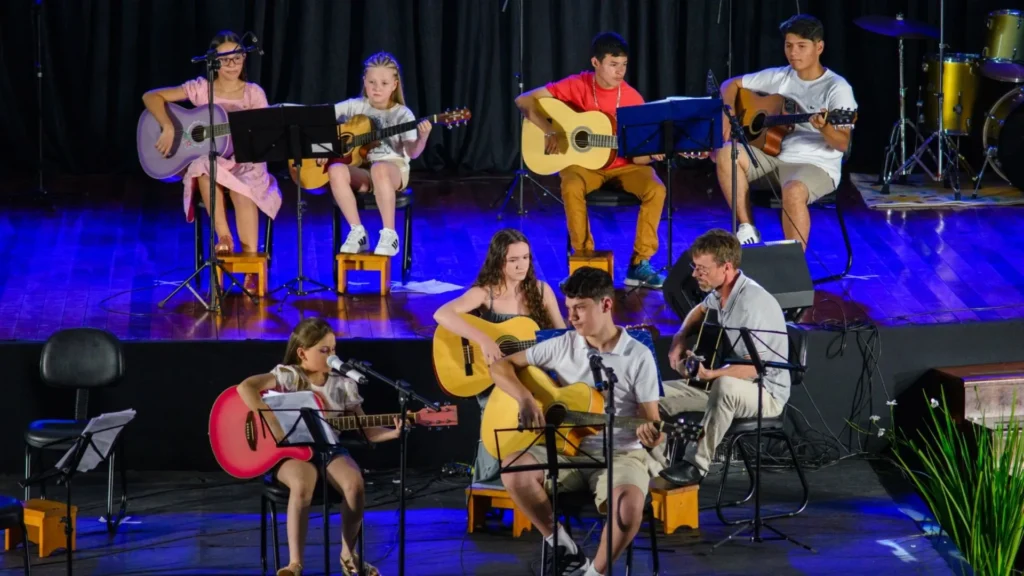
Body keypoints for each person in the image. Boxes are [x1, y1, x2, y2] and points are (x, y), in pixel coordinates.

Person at [492, 267, 663, 576]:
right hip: (564, 451)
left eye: (580, 308)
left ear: (606, 305)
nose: (571, 317)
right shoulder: (563, 345)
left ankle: (594, 573)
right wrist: (525, 399)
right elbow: (500, 367)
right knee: (514, 468)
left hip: (620, 454)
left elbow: (652, 421)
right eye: (568, 308)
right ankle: (563, 547)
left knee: (628, 509)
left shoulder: (638, 355)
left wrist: (651, 434)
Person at [236, 318, 401, 576]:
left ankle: (349, 555)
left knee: (354, 485)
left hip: (328, 449)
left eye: (333, 349)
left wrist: (394, 432)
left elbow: (366, 429)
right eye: (324, 350)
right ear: (302, 353)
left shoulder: (343, 384)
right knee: (303, 484)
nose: (331, 355)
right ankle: (295, 563)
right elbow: (246, 388)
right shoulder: (288, 375)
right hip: (289, 452)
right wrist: (272, 422)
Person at [515, 32, 667, 289]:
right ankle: (583, 260)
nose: (620, 72)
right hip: (584, 167)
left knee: (656, 189)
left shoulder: (633, 99)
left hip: (625, 167)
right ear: (596, 63)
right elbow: (523, 100)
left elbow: (639, 156)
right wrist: (549, 129)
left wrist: (653, 153)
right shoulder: (577, 84)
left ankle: (639, 264)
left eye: (624, 65)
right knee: (571, 185)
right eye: (613, 64)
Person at [143, 30, 281, 292]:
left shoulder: (253, 94)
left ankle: (251, 266)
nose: (231, 64)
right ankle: (224, 237)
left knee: (243, 191)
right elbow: (150, 97)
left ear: (244, 59)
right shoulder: (201, 89)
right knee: (203, 167)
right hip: (213, 163)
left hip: (246, 162)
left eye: (237, 58)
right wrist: (168, 126)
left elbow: (265, 133)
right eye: (225, 59)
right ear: (214, 62)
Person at [433, 228, 565, 484]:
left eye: (525, 258)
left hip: (532, 377)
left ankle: (534, 482)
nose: (521, 265)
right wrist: (484, 340)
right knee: (501, 422)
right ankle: (491, 484)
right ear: (498, 261)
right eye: (513, 260)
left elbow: (560, 334)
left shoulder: (541, 291)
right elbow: (442, 314)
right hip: (494, 380)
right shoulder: (485, 293)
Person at [713, 14, 856, 251]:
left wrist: (824, 127)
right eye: (789, 45)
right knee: (727, 153)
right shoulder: (781, 76)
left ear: (819, 47)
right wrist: (727, 112)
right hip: (775, 156)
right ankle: (747, 229)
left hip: (816, 165)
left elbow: (842, 144)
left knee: (793, 190)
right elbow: (730, 84)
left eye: (801, 46)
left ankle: (794, 265)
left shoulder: (837, 88)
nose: (793, 53)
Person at [662, 229, 790, 487]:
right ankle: (655, 468)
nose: (695, 275)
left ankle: (696, 465)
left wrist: (712, 374)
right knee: (655, 394)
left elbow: (755, 367)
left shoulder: (752, 303)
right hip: (730, 388)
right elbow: (700, 310)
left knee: (724, 386)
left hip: (766, 393)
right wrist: (679, 337)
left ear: (727, 267)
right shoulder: (722, 292)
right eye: (695, 267)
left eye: (702, 269)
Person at [326, 51, 431, 257]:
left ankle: (390, 234)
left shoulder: (403, 114)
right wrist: (325, 147)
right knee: (336, 169)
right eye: (372, 82)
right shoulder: (355, 106)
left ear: (394, 85)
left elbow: (412, 153)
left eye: (384, 83)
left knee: (380, 168)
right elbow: (322, 117)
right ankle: (358, 232)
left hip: (393, 170)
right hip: (364, 169)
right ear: (364, 81)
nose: (377, 88)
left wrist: (422, 138)